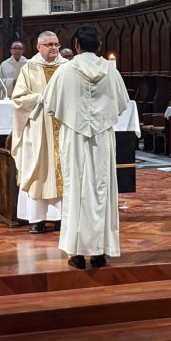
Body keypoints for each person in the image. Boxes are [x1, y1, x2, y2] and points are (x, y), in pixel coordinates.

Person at [43, 26, 130, 270]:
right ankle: (100, 251)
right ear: (99, 46)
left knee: (76, 190)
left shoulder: (65, 71)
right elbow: (122, 104)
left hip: (75, 138)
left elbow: (49, 105)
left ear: (77, 46)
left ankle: (77, 252)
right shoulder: (111, 72)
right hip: (102, 139)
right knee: (102, 190)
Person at [11, 31, 65, 233]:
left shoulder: (67, 68)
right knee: (37, 170)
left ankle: (61, 217)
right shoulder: (29, 68)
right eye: (49, 44)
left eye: (57, 44)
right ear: (38, 47)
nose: (54, 48)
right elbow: (18, 99)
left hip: (63, 128)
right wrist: (41, 97)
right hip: (38, 129)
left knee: (63, 170)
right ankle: (37, 219)